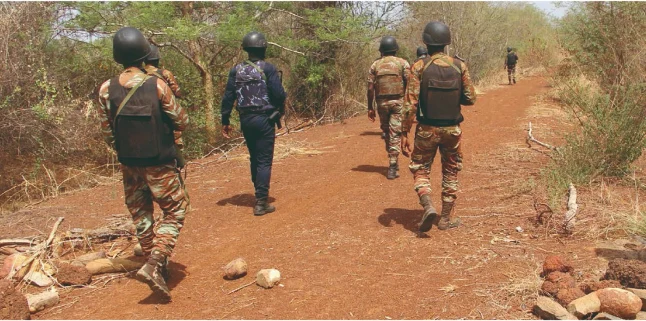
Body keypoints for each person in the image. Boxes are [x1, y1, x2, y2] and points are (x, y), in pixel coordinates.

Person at [97, 27, 190, 300]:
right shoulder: (157, 84)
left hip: (129, 163)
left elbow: (106, 133)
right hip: (159, 161)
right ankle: (155, 262)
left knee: (141, 214)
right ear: (143, 54)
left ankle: (154, 263)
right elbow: (182, 120)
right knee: (175, 211)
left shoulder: (106, 89)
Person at [401, 21, 476, 233]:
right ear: (446, 43)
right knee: (451, 171)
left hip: (426, 129)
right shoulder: (459, 66)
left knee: (420, 169)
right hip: (453, 130)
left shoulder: (419, 67)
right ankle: (445, 219)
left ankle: (427, 205)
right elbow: (471, 99)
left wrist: (404, 132)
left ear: (426, 41)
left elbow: (409, 105)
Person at [221, 31, 286, 216]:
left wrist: (225, 120)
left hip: (246, 120)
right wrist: (278, 106)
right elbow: (279, 94)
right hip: (265, 119)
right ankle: (261, 202)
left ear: (246, 49)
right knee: (264, 160)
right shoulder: (268, 68)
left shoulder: (236, 70)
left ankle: (258, 193)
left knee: (254, 157)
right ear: (263, 47)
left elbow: (228, 98)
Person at [367, 36, 410, 180]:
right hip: (398, 103)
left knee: (386, 131)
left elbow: (370, 88)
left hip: (382, 104)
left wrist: (370, 107)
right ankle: (393, 164)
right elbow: (409, 84)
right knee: (395, 133)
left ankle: (392, 161)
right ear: (395, 49)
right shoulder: (403, 63)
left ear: (382, 50)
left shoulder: (375, 65)